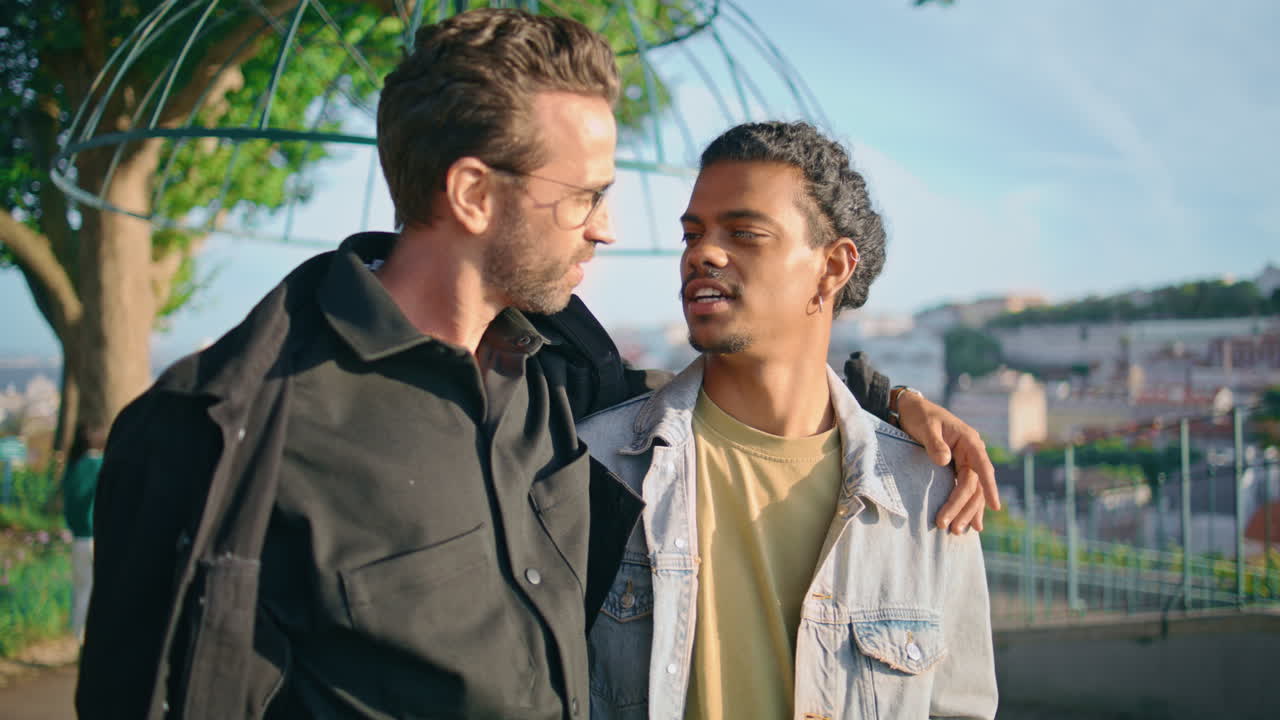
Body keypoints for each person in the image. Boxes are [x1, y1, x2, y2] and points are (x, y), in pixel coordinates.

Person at [78, 9, 995, 720]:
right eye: (585, 195)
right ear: (474, 193)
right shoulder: (222, 431)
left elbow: (767, 390)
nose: (608, 227)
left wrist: (893, 404)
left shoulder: (558, 388)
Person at [582, 122, 999, 720]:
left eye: (745, 233)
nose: (702, 252)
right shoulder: (598, 466)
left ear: (832, 268)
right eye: (692, 234)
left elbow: (959, 708)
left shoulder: (929, 491)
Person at [62, 423, 104, 640]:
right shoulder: (103, 466)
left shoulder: (73, 467)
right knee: (99, 591)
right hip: (100, 538)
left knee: (81, 589)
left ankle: (77, 636)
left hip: (77, 538)